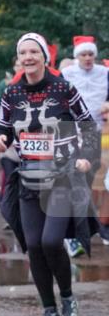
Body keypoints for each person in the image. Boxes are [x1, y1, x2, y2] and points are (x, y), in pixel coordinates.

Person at [0, 32, 99, 316]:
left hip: (62, 176)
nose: (28, 57)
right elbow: (1, 129)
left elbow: (88, 125)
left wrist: (87, 157)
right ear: (18, 58)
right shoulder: (13, 93)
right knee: (35, 246)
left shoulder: (62, 88)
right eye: (23, 53)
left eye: (33, 52)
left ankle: (67, 299)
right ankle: (49, 309)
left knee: (52, 241)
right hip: (29, 178)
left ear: (44, 56)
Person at [62, 35, 109, 244]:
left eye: (91, 54)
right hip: (72, 130)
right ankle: (72, 229)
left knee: (89, 177)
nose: (88, 58)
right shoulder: (67, 73)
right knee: (73, 178)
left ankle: (85, 226)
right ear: (77, 56)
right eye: (84, 54)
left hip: (95, 130)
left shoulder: (105, 73)